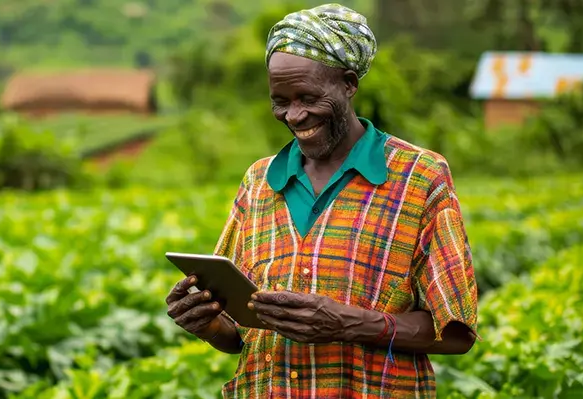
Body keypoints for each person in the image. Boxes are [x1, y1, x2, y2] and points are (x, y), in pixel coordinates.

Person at [165, 4, 478, 398]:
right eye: (280, 100)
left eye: (308, 97)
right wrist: (208, 325)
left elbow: (455, 333)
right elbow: (242, 335)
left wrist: (347, 323)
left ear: (348, 84)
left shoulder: (420, 177)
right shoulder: (259, 181)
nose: (294, 115)